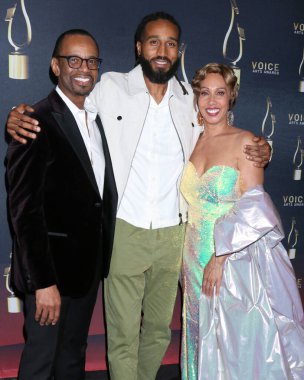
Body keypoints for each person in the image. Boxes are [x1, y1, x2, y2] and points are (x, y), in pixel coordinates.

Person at [5, 13, 271, 380]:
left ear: (179, 52)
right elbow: (65, 104)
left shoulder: (188, 101)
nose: (162, 50)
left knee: (159, 332)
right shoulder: (109, 87)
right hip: (125, 232)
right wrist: (17, 114)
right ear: (138, 47)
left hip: (174, 236)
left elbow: (222, 134)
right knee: (122, 336)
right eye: (153, 42)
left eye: (171, 43)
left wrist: (263, 148)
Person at [180, 62, 304, 380]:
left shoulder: (246, 142)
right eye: (204, 93)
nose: (211, 101)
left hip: (232, 259)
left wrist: (220, 257)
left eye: (220, 93)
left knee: (233, 342)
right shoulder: (190, 138)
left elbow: (255, 207)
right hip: (191, 255)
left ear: (231, 96)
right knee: (197, 334)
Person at [6, 29, 117, 380]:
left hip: (85, 271)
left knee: (72, 360)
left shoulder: (97, 119)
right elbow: (24, 212)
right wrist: (43, 283)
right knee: (40, 364)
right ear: (56, 66)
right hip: (50, 276)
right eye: (73, 59)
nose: (84, 67)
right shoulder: (35, 121)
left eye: (91, 60)